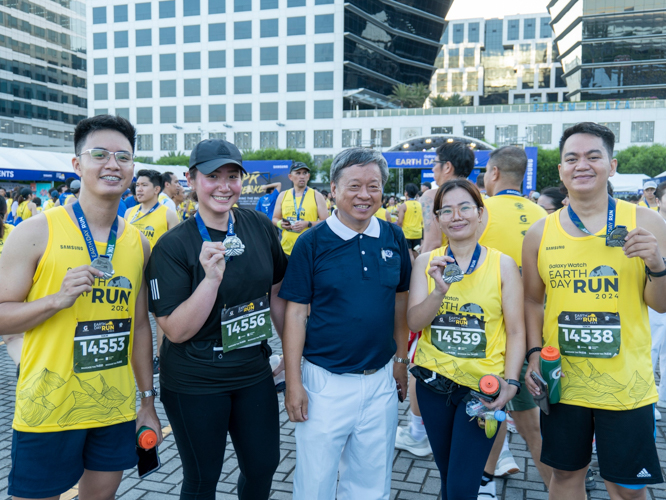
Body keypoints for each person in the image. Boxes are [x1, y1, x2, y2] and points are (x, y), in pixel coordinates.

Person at [0, 114, 162, 499]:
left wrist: (147, 401)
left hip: (113, 405)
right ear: (77, 164)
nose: (112, 164)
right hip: (49, 405)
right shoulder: (36, 232)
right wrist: (55, 300)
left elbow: (140, 327)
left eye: (123, 157)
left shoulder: (137, 242)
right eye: (100, 154)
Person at [524, 122, 666, 498]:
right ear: (561, 170)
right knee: (567, 476)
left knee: (626, 486)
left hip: (626, 384)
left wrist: (657, 262)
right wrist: (535, 354)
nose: (581, 165)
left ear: (612, 165)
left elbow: (661, 304)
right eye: (571, 158)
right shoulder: (540, 233)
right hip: (563, 381)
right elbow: (532, 300)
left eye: (593, 156)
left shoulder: (647, 223)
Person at [146, 138, 288, 500]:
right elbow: (176, 330)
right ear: (192, 180)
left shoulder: (258, 226)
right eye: (213, 176)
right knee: (203, 477)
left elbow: (277, 291)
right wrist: (211, 280)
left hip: (252, 370)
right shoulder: (174, 246)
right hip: (196, 377)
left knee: (263, 466)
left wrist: (290, 353)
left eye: (233, 176)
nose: (224, 186)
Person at [281, 148, 411, 500]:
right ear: (334, 191)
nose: (365, 195)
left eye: (374, 186)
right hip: (324, 383)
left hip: (380, 380)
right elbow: (295, 314)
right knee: (315, 483)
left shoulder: (393, 237)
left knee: (372, 483)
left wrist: (401, 361)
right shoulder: (312, 242)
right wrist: (294, 383)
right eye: (354, 186)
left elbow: (400, 302)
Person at [407, 179, 524, 499]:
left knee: (461, 486)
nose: (456, 216)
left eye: (465, 208)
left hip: (482, 391)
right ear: (438, 219)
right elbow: (414, 322)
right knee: (449, 477)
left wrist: (511, 383)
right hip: (433, 385)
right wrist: (439, 292)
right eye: (446, 210)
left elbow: (515, 330)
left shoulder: (503, 264)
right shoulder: (425, 262)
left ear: (480, 214)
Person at [476, 146, 550, 496]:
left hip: (492, 332)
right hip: (535, 329)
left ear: (492, 173)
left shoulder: (479, 212)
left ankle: (487, 480)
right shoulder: (543, 214)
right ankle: (560, 488)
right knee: (529, 422)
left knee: (493, 409)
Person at [421, 142, 476, 253]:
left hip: (446, 265)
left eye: (434, 163)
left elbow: (432, 244)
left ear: (447, 167)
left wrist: (420, 268)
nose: (433, 169)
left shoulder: (433, 196)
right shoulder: (477, 196)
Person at [272, 162, 328, 256]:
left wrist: (307, 223)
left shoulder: (316, 195)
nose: (302, 176)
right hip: (286, 250)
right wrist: (281, 224)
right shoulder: (283, 195)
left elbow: (326, 222)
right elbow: (275, 218)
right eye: (298, 173)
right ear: (290, 177)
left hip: (309, 250)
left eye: (305, 173)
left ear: (308, 176)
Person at [650, 181, 666, 411]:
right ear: (659, 200)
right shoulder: (649, 223)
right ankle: (650, 402)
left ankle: (662, 399)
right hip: (655, 294)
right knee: (651, 347)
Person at [397, 183, 423, 262]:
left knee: (409, 254)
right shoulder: (420, 205)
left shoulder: (404, 205)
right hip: (418, 233)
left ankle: (412, 273)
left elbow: (400, 221)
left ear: (406, 193)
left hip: (407, 234)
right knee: (416, 254)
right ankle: (418, 271)